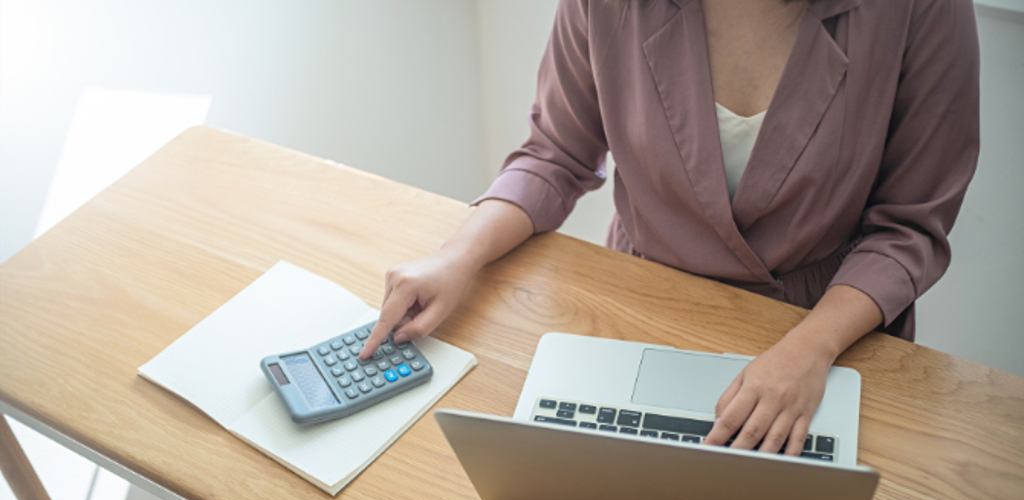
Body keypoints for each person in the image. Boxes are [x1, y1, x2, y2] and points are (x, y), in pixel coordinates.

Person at [359, 0, 980, 455]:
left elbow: (910, 225)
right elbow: (555, 155)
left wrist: (810, 349)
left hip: (828, 331)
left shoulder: (921, 10)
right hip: (644, 309)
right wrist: (457, 257)